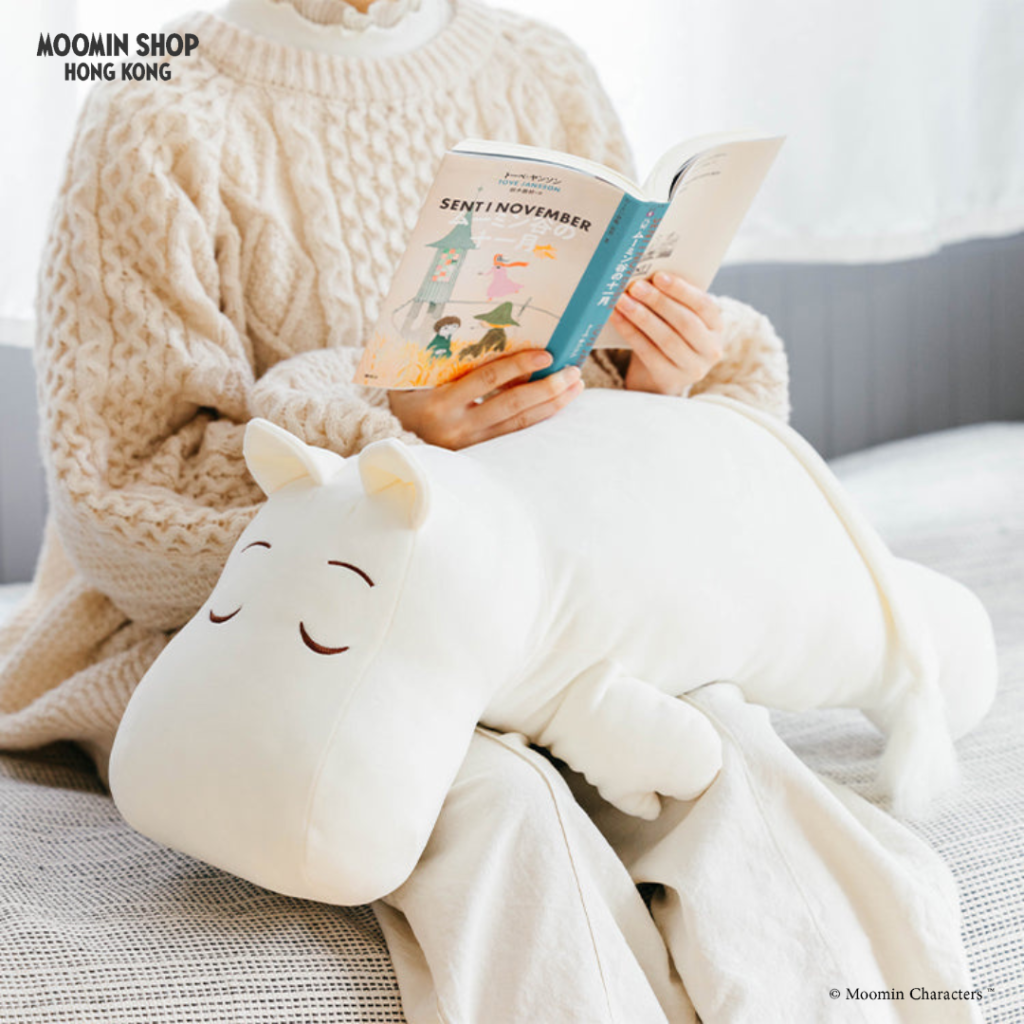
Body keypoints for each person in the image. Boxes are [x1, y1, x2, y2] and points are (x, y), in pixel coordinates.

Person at [0, 2, 979, 1022]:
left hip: (525, 595)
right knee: (496, 800)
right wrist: (399, 436)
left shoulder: (539, 68)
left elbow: (584, 412)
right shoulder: (154, 113)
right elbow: (125, 505)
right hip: (262, 617)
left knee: (722, 747)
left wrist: (661, 385)